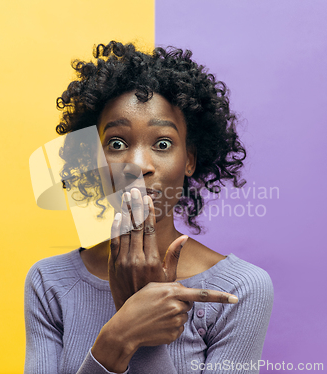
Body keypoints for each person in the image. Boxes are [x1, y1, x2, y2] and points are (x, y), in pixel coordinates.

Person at [24, 41, 274, 374]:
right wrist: (118, 336)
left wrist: (144, 334)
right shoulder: (49, 283)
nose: (139, 165)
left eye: (162, 144)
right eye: (116, 143)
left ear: (189, 160)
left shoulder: (240, 289)